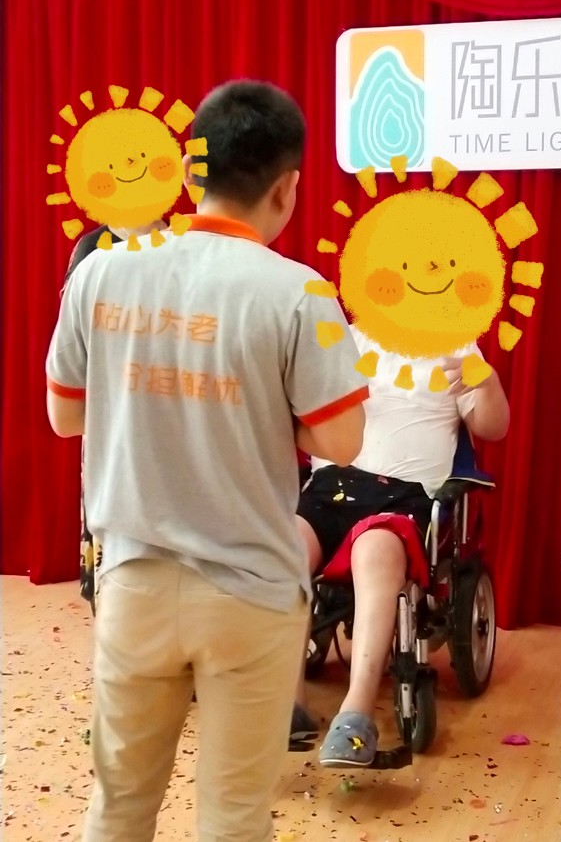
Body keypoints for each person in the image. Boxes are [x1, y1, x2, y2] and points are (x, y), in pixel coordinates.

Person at [46, 79, 368, 842]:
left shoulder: (100, 272)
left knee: (117, 806)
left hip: (134, 581)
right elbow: (343, 442)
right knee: (233, 820)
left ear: (191, 170)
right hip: (250, 593)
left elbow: (65, 416)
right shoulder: (301, 293)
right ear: (287, 188)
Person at [295, 328, 510, 768]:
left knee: (374, 551)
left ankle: (355, 714)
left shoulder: (454, 344)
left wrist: (487, 382)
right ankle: (287, 702)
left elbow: (493, 427)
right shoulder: (342, 337)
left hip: (401, 497)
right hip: (328, 488)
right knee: (284, 549)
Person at [61, 219, 167, 614]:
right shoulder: (92, 248)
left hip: (175, 410)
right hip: (112, 412)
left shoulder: (183, 240)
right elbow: (73, 339)